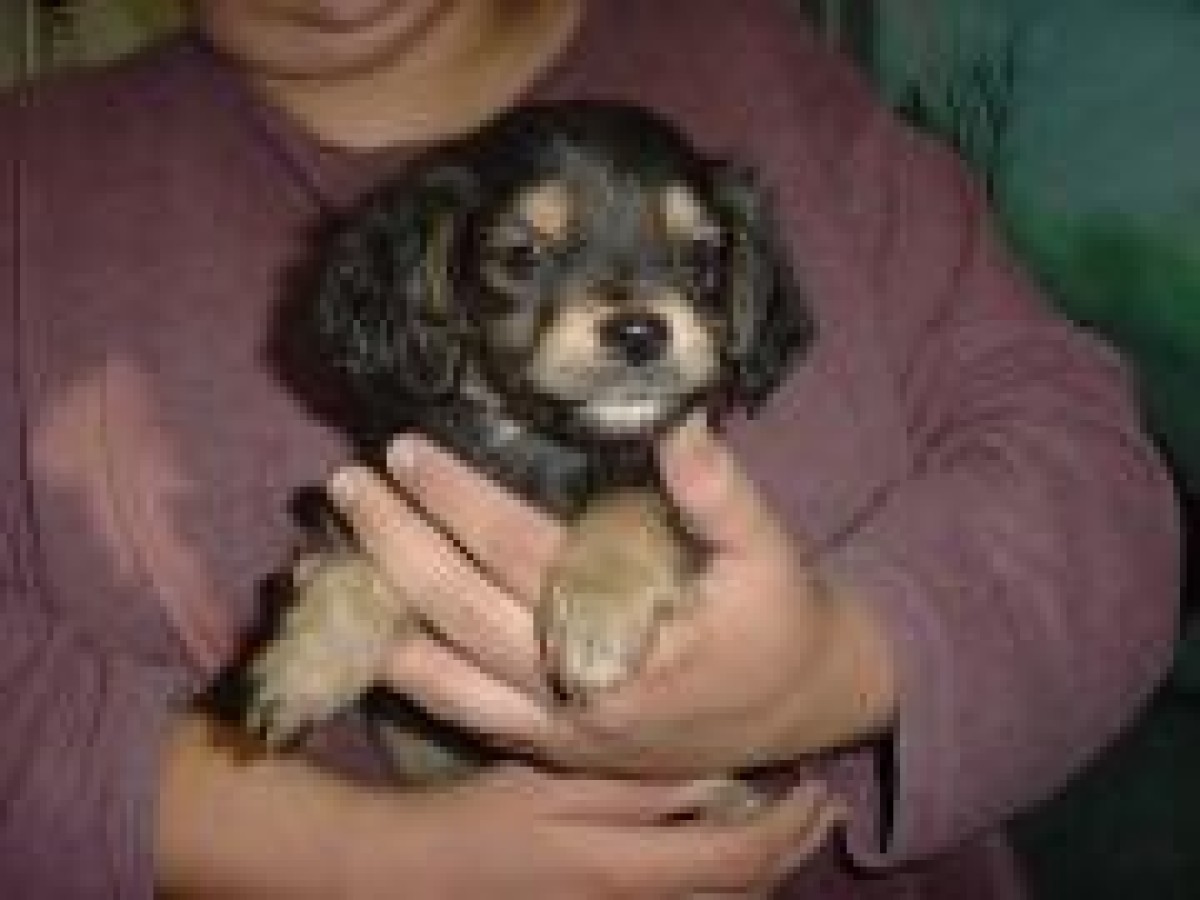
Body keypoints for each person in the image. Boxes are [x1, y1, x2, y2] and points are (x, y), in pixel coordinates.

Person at [0, 1, 1179, 897]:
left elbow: (1092, 485)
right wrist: (356, 855)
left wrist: (833, 673)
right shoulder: (34, 177)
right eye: (525, 261)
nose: (631, 314)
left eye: (693, 263)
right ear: (432, 287)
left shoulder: (768, 62)